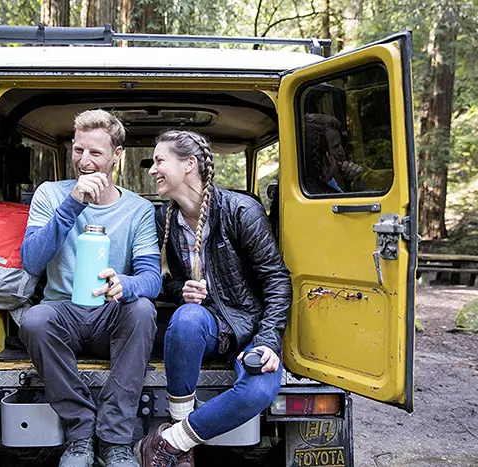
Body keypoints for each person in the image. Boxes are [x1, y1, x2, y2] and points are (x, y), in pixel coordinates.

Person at [137, 130, 292, 466]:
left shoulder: (240, 211)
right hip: (205, 328)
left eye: (160, 161)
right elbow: (170, 282)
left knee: (258, 392)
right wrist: (182, 290)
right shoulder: (164, 218)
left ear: (189, 164)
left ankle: (170, 442)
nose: (152, 169)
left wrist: (268, 339)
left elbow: (276, 280)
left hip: (250, 328)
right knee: (186, 318)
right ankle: (182, 446)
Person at [19, 109, 161, 467]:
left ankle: (115, 439)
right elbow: (31, 261)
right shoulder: (51, 194)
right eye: (79, 150)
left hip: (109, 315)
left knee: (142, 309)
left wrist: (125, 284)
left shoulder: (139, 209)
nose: (84, 161)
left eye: (95, 152)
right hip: (63, 313)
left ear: (117, 155)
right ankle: (80, 434)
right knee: (34, 320)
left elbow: (152, 278)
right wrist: (73, 204)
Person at [303, 113, 363, 194]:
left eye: (340, 145)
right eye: (336, 146)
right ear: (321, 152)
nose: (341, 152)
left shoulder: (329, 180)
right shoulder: (307, 190)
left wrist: (352, 183)